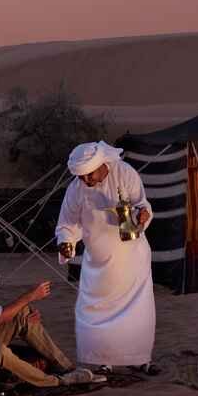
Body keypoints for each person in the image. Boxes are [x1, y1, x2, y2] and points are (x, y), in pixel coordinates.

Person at [0, 234, 103, 388]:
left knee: (24, 313)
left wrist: (22, 311)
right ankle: (57, 381)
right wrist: (30, 296)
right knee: (0, 350)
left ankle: (67, 368)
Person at [54, 141, 156, 370]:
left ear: (101, 164)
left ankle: (140, 361)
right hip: (98, 266)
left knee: (136, 315)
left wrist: (142, 216)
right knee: (92, 315)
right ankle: (102, 363)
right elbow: (67, 224)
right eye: (81, 177)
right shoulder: (76, 189)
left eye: (89, 176)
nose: (86, 181)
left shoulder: (125, 173)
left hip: (132, 262)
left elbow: (142, 205)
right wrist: (65, 242)